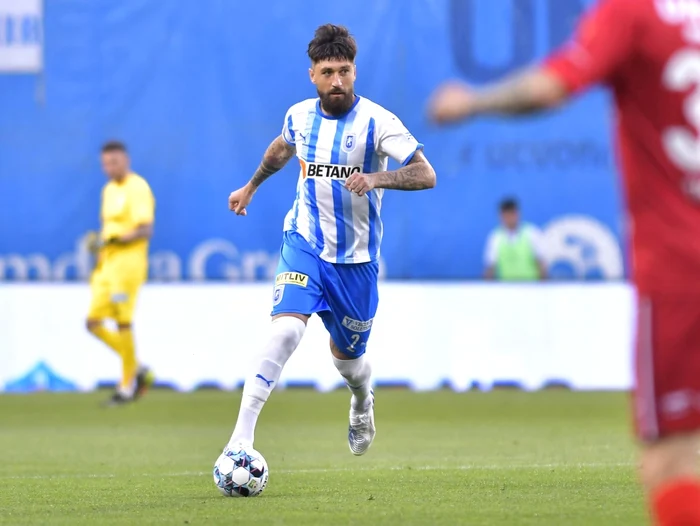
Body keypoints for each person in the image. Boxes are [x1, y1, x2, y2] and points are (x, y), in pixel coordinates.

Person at [427, 0, 700, 524]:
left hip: (680, 268)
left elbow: (550, 86)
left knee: (672, 460)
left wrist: (473, 101)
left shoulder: (634, 13)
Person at [224, 24, 436, 457]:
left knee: (348, 361)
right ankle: (239, 442)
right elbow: (280, 150)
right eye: (327, 72)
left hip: (355, 262)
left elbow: (425, 173)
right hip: (304, 241)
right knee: (284, 332)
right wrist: (251, 187)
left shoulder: (379, 122)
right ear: (312, 75)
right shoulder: (299, 116)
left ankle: (362, 398)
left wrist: (377, 177)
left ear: (355, 72)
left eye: (344, 71)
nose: (336, 81)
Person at [86, 141, 155, 406]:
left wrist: (113, 240)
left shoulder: (137, 187)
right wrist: (102, 250)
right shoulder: (108, 189)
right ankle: (138, 369)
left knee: (122, 323)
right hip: (107, 266)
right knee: (92, 323)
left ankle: (126, 387)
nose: (109, 167)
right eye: (105, 163)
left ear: (125, 160)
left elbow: (145, 229)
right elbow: (108, 230)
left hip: (128, 265)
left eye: (113, 162)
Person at [484, 198, 546, 281]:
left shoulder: (531, 233)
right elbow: (490, 268)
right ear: (501, 216)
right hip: (506, 290)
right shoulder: (495, 237)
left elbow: (541, 264)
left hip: (531, 289)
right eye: (506, 215)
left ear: (517, 214)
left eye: (511, 214)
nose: (509, 218)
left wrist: (543, 289)